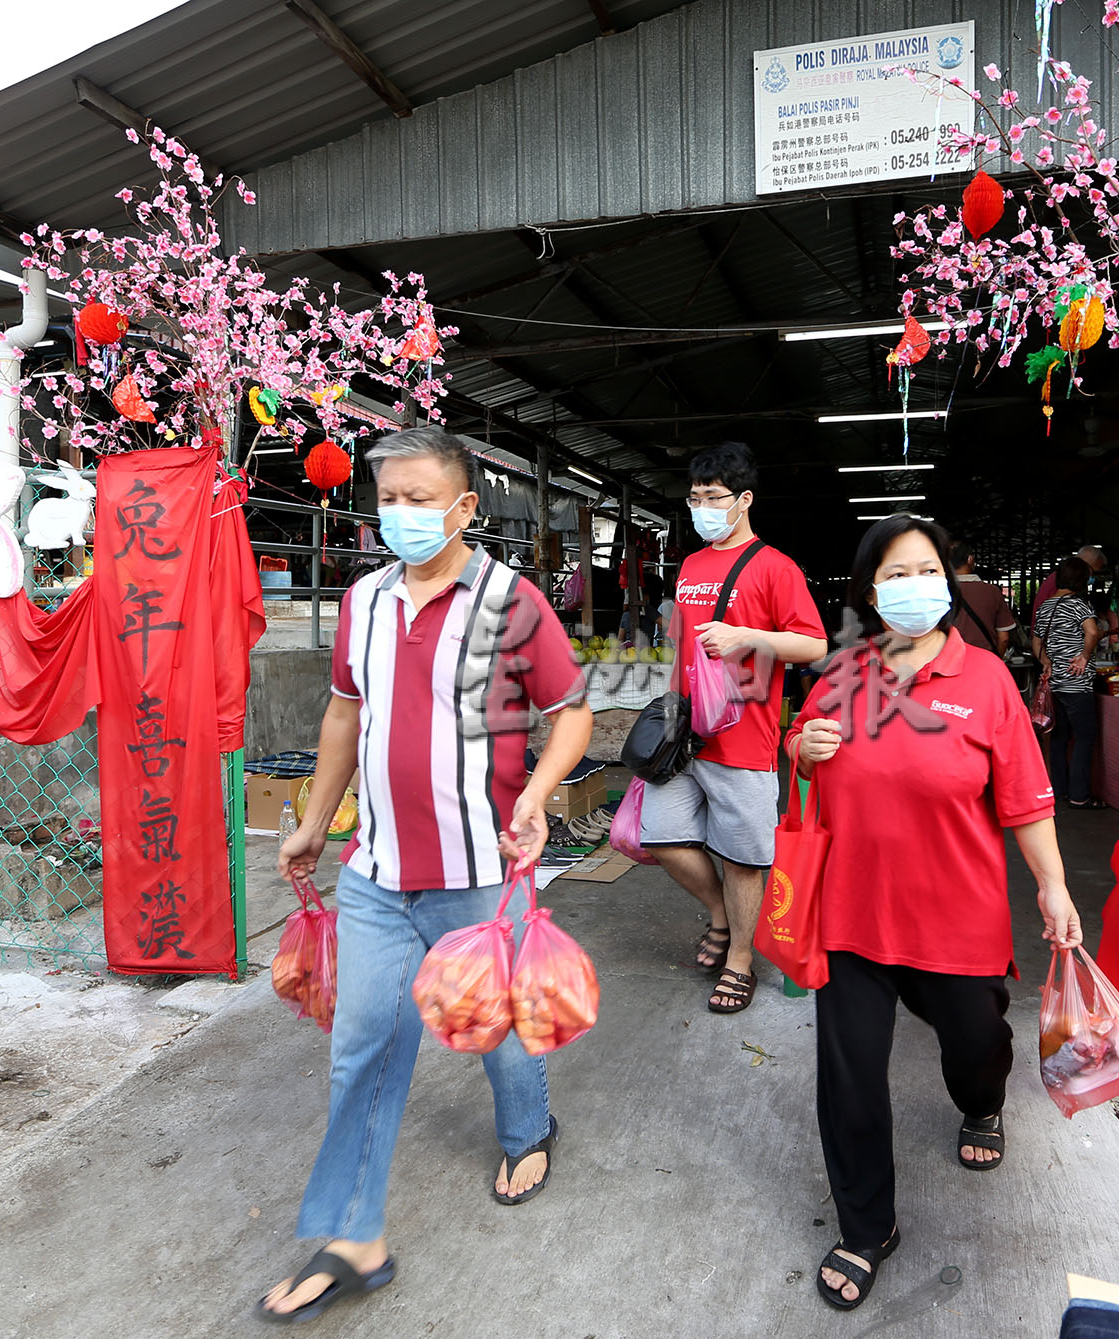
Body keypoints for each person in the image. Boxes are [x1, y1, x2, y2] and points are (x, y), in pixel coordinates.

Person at [258, 426, 594, 1324]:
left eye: (420, 498)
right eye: (390, 499)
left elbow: (571, 715)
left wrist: (541, 793)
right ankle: (353, 1233)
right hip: (376, 873)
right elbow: (342, 714)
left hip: (479, 874)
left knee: (496, 1028)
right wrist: (313, 822)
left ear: (465, 508)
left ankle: (530, 1131)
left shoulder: (512, 603)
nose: (402, 514)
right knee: (360, 1049)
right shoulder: (364, 600)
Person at [783, 515, 1083, 1311]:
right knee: (848, 1075)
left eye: (927, 571)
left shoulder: (985, 679)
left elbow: (1024, 800)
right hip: (850, 910)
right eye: (897, 574)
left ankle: (982, 1104)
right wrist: (801, 749)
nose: (916, 586)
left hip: (957, 914)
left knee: (977, 1040)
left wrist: (1053, 884)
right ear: (871, 592)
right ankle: (866, 1224)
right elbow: (801, 743)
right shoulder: (842, 671)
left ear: (946, 582)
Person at [641, 441, 826, 1014]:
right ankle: (722, 913)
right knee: (662, 836)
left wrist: (750, 638)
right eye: (694, 498)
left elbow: (814, 643)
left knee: (746, 856)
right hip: (685, 734)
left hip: (745, 737)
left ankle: (741, 960)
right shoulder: (692, 565)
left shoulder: (776, 567)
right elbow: (681, 644)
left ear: (744, 499)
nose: (701, 508)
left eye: (713, 498)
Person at [1034, 556, 1104, 810]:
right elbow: (1093, 632)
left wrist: (1046, 662)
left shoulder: (1046, 607)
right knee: (1084, 739)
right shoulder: (1079, 605)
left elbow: (1036, 642)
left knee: (1060, 738)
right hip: (1077, 682)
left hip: (1055, 683)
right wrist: (1084, 656)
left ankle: (1060, 791)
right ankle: (1079, 795)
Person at [947, 538, 1015, 657]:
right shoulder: (992, 591)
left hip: (950, 660)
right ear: (970, 559)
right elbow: (1004, 637)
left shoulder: (940, 592)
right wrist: (995, 660)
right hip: (985, 660)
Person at [1029, 543, 1106, 613]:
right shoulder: (1062, 581)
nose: (1091, 577)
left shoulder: (1060, 577)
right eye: (1093, 572)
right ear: (1084, 565)